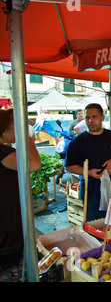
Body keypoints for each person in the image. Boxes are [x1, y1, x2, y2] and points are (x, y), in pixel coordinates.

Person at [65, 104, 111, 221]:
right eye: (87, 117)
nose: (90, 121)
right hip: (91, 193)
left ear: (102, 117)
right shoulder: (78, 141)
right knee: (94, 226)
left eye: (94, 117)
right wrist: (88, 172)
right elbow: (70, 166)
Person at [0, 109, 41, 259]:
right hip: (7, 219)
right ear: (4, 129)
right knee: (10, 260)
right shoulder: (2, 152)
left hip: (8, 215)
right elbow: (34, 164)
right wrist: (26, 137)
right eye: (16, 126)